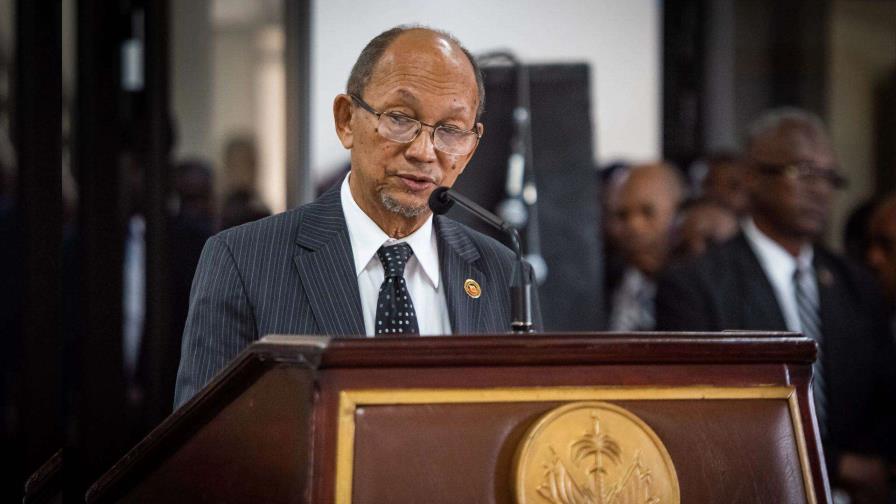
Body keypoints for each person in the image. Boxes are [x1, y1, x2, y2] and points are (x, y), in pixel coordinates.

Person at [174, 26, 541, 407]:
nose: (423, 151)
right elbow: (205, 438)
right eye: (400, 118)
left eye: (450, 130)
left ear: (470, 149)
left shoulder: (504, 273)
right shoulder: (243, 262)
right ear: (346, 120)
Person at [656, 108, 896, 502]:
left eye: (828, 177)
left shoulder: (855, 284)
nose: (820, 190)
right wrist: (836, 465)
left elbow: (883, 397)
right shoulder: (697, 285)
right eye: (803, 172)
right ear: (752, 177)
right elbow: (706, 415)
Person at [604, 162, 684, 331]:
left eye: (648, 212)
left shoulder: (703, 286)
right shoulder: (606, 280)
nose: (634, 226)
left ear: (679, 213)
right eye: (622, 215)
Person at [671, 197, 739, 259]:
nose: (700, 248)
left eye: (709, 242)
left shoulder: (678, 252)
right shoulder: (671, 200)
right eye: (711, 223)